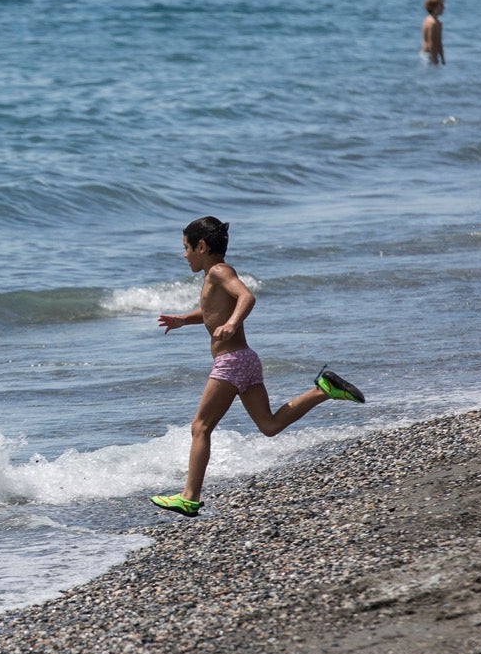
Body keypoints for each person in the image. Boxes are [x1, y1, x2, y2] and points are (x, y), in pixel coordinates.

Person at [151, 216, 364, 518]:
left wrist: (233, 323)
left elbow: (246, 297)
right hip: (246, 359)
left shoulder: (219, 271)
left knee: (200, 427)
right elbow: (214, 311)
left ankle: (189, 497)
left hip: (232, 363)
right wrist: (184, 320)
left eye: (186, 247)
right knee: (269, 425)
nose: (184, 254)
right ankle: (324, 390)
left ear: (201, 246)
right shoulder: (214, 275)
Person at [422, 0, 445, 65]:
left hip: (434, 55)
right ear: (433, 7)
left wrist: (442, 58)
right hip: (428, 55)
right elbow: (431, 42)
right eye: (441, 5)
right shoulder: (431, 22)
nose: (443, 7)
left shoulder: (439, 23)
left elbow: (439, 42)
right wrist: (433, 59)